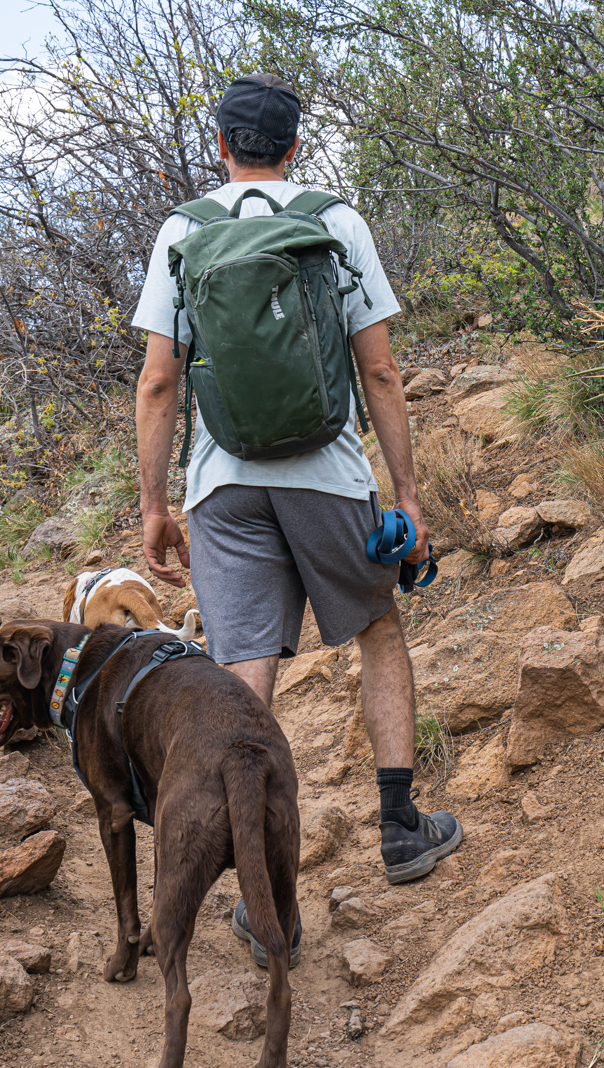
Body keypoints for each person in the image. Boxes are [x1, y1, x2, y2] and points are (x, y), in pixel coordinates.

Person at [131, 71, 463, 898]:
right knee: (378, 630)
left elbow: (158, 385)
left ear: (220, 146)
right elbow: (379, 370)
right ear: (295, 147)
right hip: (327, 475)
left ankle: (266, 889)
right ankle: (399, 828)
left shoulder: (182, 231)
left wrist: (154, 507)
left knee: (243, 678)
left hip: (224, 488)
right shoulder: (334, 220)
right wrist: (409, 495)